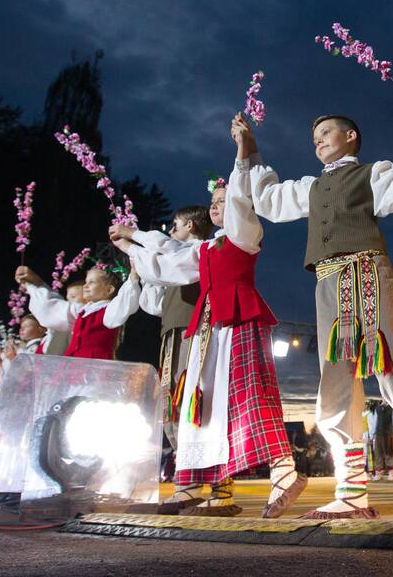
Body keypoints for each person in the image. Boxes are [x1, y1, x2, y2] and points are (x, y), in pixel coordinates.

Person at [240, 111, 393, 521]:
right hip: (327, 282)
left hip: (367, 272)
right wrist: (249, 150)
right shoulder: (311, 187)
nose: (318, 140)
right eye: (314, 136)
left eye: (325, 132)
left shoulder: (372, 173)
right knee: (335, 384)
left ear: (351, 137)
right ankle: (351, 494)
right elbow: (270, 202)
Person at [112, 126, 305, 519]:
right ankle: (193, 484)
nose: (217, 205)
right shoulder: (205, 247)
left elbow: (237, 200)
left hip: (238, 322)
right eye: (213, 201)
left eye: (223, 199)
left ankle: (284, 471)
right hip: (206, 331)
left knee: (249, 399)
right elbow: (166, 262)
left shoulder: (245, 233)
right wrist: (131, 244)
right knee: (201, 407)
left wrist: (243, 152)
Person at [135, 203, 212, 478]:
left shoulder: (196, 252)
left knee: (190, 394)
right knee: (172, 399)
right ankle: (184, 464)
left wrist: (133, 240)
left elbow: (168, 249)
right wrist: (142, 273)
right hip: (172, 334)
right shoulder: (173, 263)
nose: (171, 231)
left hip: (193, 331)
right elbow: (154, 305)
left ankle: (199, 465)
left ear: (190, 226)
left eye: (175, 226)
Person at [15, 264, 140, 360]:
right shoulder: (81, 311)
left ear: (109, 289)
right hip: (75, 369)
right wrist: (32, 285)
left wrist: (133, 277)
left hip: (97, 369)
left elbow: (126, 300)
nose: (86, 286)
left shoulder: (109, 309)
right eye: (86, 282)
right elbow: (52, 308)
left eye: (92, 282)